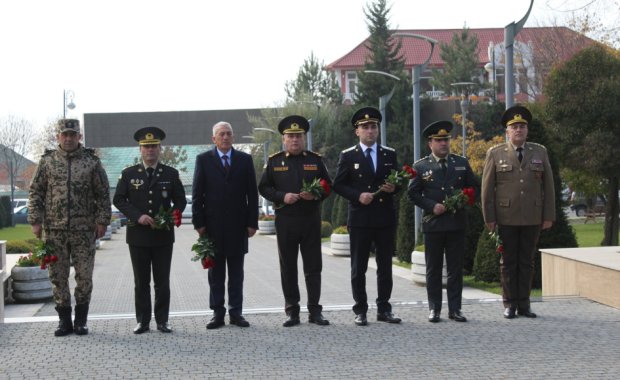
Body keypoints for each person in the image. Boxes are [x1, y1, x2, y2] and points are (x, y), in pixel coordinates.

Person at [28, 119, 111, 337]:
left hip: (84, 230)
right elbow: (36, 192)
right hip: (54, 230)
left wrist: (102, 220)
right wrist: (35, 220)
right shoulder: (47, 162)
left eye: (72, 135)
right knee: (58, 276)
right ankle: (64, 321)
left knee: (84, 277)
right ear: (58, 137)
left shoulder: (91, 162)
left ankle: (81, 321)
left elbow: (102, 193)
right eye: (64, 135)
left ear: (79, 137)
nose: (68, 138)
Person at [481, 105, 555, 319]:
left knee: (527, 262)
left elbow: (548, 186)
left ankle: (524, 304)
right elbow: (487, 190)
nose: (518, 130)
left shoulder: (539, 152)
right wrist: (490, 218)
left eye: (522, 126)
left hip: (533, 216)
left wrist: (548, 215)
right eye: (514, 127)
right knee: (508, 262)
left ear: (527, 130)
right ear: (507, 131)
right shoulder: (495, 154)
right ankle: (509, 304)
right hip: (506, 218)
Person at [258, 115, 332, 327]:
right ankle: (292, 311)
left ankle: (315, 311)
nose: (295, 140)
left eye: (298, 136)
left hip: (310, 219)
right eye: (290, 136)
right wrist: (282, 196)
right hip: (286, 220)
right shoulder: (275, 161)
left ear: (304, 137)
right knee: (288, 267)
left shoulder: (315, 160)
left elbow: (328, 185)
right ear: (283, 139)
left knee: (313, 267)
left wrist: (316, 195)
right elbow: (263, 187)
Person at [332, 106, 402, 326]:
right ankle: (360, 309)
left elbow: (399, 181)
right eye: (365, 127)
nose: (370, 131)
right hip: (360, 218)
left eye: (373, 127)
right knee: (358, 267)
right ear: (357, 132)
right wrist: (357, 195)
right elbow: (338, 185)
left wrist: (394, 188)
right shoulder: (348, 155)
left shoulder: (389, 154)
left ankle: (384, 308)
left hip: (383, 217)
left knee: (385, 266)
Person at [113, 127, 186, 334]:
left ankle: (162, 320)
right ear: (140, 149)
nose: (150, 150)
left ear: (160, 148)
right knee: (141, 282)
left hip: (163, 236)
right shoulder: (129, 174)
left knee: (162, 281)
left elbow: (180, 200)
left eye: (154, 146)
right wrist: (138, 216)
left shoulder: (171, 174)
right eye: (146, 147)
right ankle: (143, 321)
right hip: (138, 236)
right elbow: (118, 199)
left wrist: (169, 216)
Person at [408, 121, 479, 323]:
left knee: (456, 269)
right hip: (434, 226)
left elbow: (473, 189)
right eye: (439, 140)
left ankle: (455, 309)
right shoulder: (421, 166)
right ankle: (435, 309)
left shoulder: (461, 163)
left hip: (456, 223)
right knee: (434, 269)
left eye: (446, 140)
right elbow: (412, 193)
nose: (444, 144)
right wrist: (431, 206)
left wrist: (462, 200)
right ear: (430, 143)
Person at [192, 121, 259, 330]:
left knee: (236, 274)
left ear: (233, 137)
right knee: (216, 274)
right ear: (214, 139)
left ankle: (236, 313)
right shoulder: (203, 160)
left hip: (238, 227)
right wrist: (199, 224)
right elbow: (197, 195)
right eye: (221, 134)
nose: (225, 137)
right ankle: (217, 313)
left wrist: (252, 223)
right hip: (212, 228)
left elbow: (252, 194)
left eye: (229, 134)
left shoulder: (244, 160)